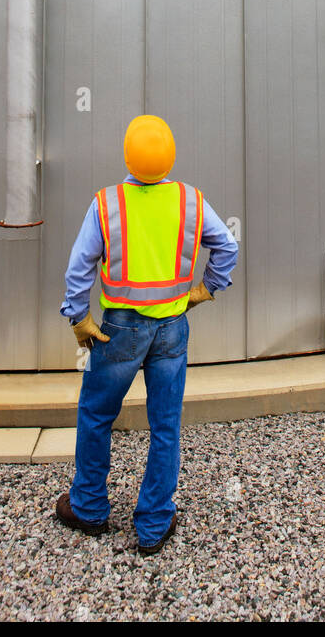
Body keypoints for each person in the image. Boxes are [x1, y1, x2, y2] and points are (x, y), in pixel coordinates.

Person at [55, 114, 239, 554]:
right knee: (165, 425)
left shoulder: (107, 202)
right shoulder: (191, 201)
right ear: (171, 154)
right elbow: (227, 247)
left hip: (120, 329)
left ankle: (89, 507)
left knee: (97, 415)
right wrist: (204, 290)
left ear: (127, 155)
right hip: (172, 329)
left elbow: (80, 266)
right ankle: (154, 524)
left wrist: (78, 317)